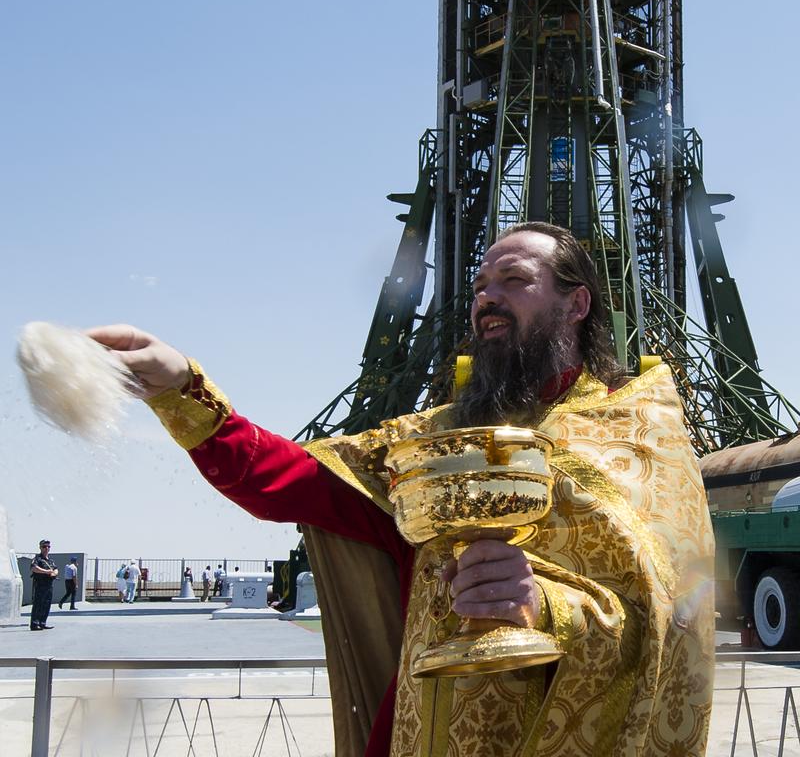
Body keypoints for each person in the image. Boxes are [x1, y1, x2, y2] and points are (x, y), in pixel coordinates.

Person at [88, 222, 715, 756]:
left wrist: (543, 606)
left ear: (576, 305)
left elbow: (672, 615)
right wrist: (179, 388)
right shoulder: (432, 442)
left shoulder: (636, 435)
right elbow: (283, 481)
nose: (487, 300)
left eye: (514, 281)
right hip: (422, 730)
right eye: (478, 287)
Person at [30, 539, 58, 631]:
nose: (46, 548)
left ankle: (42, 623)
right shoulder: (38, 558)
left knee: (46, 604)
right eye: (44, 546)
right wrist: (46, 572)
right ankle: (35, 624)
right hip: (40, 584)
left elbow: (55, 569)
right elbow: (34, 568)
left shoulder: (50, 560)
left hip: (49, 585)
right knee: (38, 604)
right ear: (40, 547)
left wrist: (54, 573)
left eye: (48, 547)